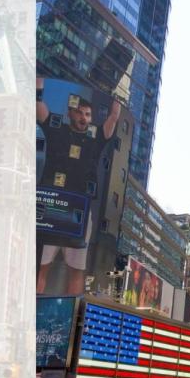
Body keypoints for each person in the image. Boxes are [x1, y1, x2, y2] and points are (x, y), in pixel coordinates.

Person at [36, 82, 121, 295]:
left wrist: (117, 106)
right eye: (80, 112)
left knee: (77, 269)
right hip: (51, 208)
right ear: (70, 113)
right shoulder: (57, 128)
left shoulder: (95, 137)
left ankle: (72, 316)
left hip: (79, 212)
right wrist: (37, 86)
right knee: (41, 266)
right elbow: (39, 107)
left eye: (88, 114)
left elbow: (112, 120)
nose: (84, 117)